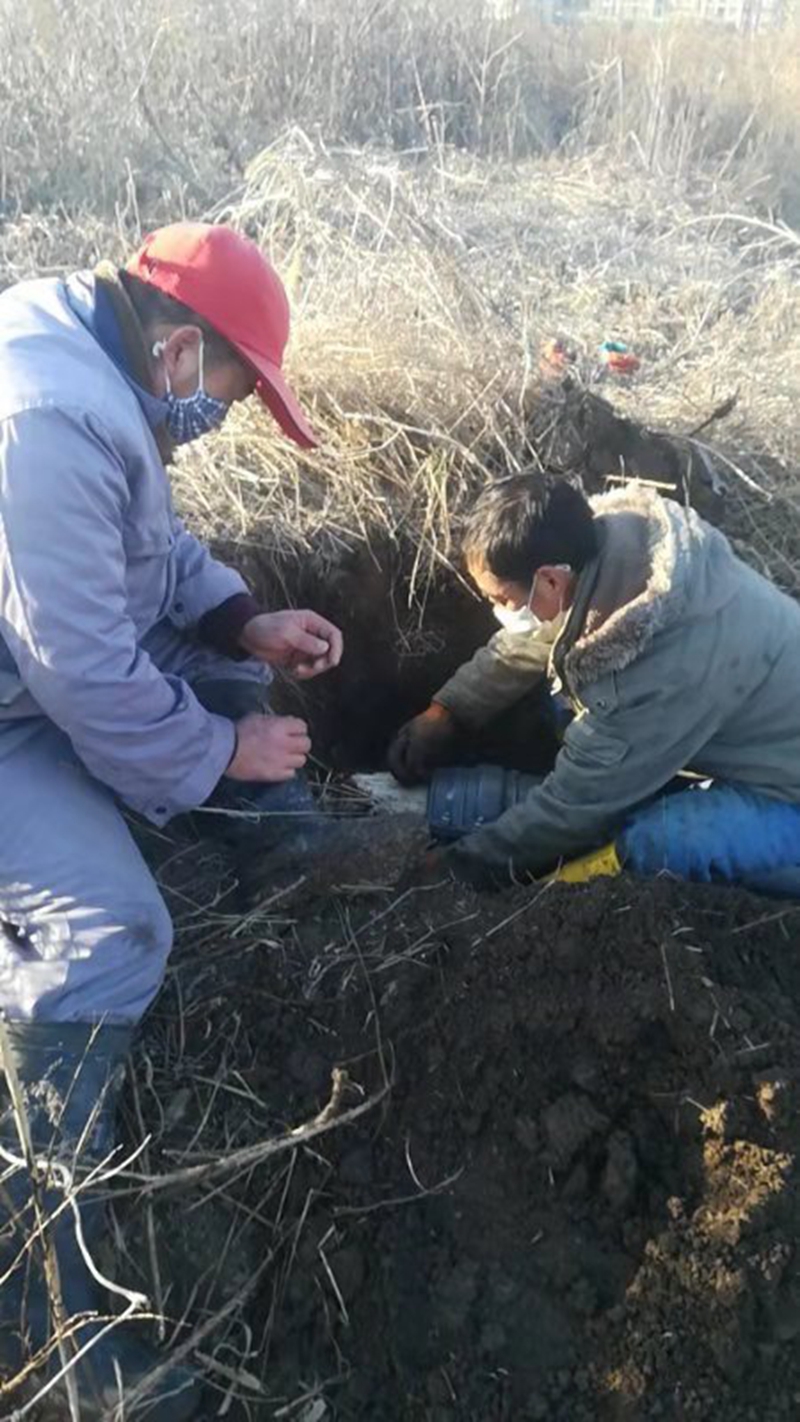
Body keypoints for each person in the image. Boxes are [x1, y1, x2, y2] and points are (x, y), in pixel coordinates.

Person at [0, 223, 343, 1417]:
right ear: (185, 350)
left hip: (36, 673)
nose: (224, 418)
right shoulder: (48, 415)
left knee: (230, 680)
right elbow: (85, 675)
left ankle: (267, 848)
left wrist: (242, 619)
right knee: (113, 934)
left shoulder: (105, 351)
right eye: (237, 395)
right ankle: (49, 1318)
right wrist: (219, 752)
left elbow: (144, 548)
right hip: (17, 711)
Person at [389, 473, 800, 891]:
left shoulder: (659, 670)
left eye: (502, 599)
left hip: (789, 798)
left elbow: (574, 809)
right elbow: (534, 637)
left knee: (661, 843)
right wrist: (449, 711)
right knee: (569, 714)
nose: (498, 610)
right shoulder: (611, 545)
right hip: (751, 732)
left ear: (550, 579)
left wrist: (465, 866)